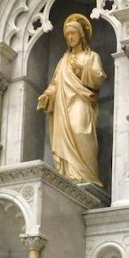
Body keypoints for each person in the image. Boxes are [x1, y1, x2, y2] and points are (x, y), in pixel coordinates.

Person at [37, 12, 106, 186]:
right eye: (67, 35)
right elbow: (56, 83)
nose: (70, 37)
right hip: (62, 105)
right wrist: (47, 95)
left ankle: (86, 175)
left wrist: (83, 68)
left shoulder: (91, 57)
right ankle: (69, 175)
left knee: (79, 130)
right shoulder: (64, 60)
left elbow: (99, 79)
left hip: (81, 102)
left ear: (81, 34)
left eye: (73, 33)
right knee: (65, 136)